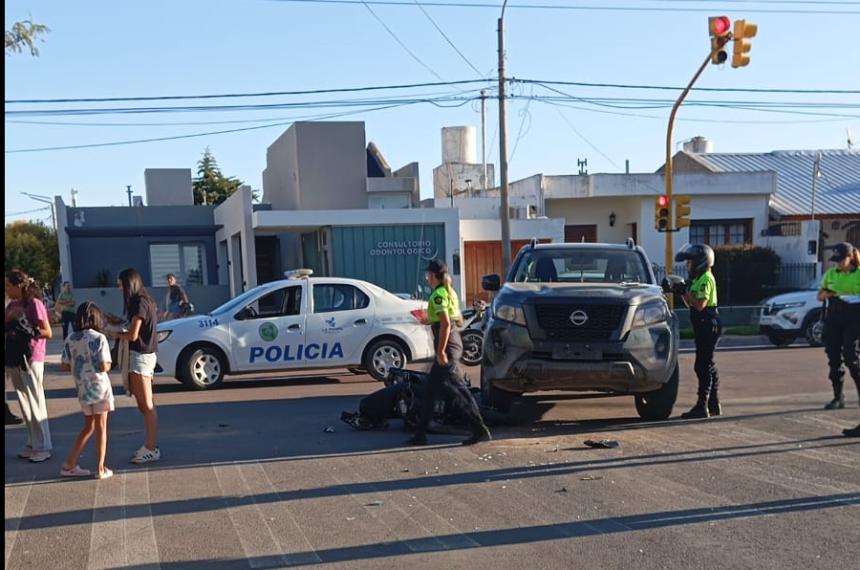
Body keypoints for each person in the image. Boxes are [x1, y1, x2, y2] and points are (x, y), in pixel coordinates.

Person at [407, 259, 491, 446]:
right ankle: (420, 434)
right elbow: (457, 320)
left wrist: (441, 352)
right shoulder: (449, 292)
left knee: (459, 391)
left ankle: (479, 428)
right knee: (431, 390)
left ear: (434, 276)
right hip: (453, 342)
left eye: (428, 274)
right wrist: (429, 320)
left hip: (448, 346)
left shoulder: (438, 295)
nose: (427, 278)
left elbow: (445, 324)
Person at [60, 302, 115, 479]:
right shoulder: (99, 338)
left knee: (88, 426)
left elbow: (65, 366)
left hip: (82, 388)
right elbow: (104, 365)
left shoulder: (70, 338)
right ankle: (100, 468)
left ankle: (69, 464)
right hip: (99, 387)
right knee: (101, 427)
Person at [4, 270, 53, 462]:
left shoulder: (33, 303)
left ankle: (43, 445)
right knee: (23, 400)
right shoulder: (11, 305)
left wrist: (26, 327)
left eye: (9, 285)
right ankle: (32, 441)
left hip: (32, 356)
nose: (6, 289)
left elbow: (47, 331)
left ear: (19, 285)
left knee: (35, 400)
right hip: (14, 356)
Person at [113, 268, 161, 464]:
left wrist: (112, 333)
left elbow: (133, 335)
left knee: (147, 405)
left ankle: (151, 447)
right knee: (143, 404)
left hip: (140, 356)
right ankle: (150, 446)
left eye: (120, 285)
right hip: (142, 356)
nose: (118, 289)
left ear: (128, 284)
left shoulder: (139, 302)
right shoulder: (143, 300)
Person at [675, 244, 722, 420]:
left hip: (708, 323)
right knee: (708, 363)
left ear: (701, 263)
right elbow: (691, 303)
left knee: (702, 365)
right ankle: (713, 403)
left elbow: (700, 305)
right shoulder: (698, 279)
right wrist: (681, 292)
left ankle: (702, 405)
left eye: (690, 262)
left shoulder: (706, 279)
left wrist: (685, 293)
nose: (688, 266)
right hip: (703, 324)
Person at [818, 242, 860, 410]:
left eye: (841, 260)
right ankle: (838, 397)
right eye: (836, 260)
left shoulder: (858, 275)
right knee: (833, 356)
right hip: (834, 316)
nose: (838, 264)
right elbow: (820, 296)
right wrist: (827, 294)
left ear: (850, 258)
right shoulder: (831, 274)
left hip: (854, 317)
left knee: (851, 356)